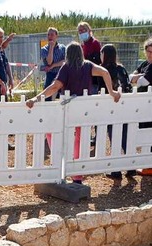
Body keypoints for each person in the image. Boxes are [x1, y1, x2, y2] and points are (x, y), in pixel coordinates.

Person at [26, 42, 121, 185]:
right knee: (79, 139)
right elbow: (105, 73)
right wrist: (112, 91)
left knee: (52, 132)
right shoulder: (88, 66)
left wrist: (36, 98)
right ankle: (77, 176)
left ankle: (59, 164)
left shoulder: (66, 67)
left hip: (68, 107)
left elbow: (55, 86)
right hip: (84, 108)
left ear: (67, 54)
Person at [128, 38, 152, 176]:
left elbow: (142, 82)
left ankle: (149, 166)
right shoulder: (145, 64)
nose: (151, 54)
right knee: (151, 131)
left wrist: (138, 77)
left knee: (150, 132)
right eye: (148, 51)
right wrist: (138, 77)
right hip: (146, 104)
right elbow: (130, 77)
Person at [99, 44, 132, 180]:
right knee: (125, 137)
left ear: (104, 54)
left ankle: (116, 170)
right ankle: (131, 167)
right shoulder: (122, 69)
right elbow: (128, 86)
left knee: (114, 138)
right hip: (124, 106)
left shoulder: (103, 70)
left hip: (110, 108)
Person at [40, 27, 66, 98]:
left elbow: (65, 61)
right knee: (46, 97)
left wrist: (54, 65)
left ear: (56, 36)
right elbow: (49, 62)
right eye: (48, 35)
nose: (49, 37)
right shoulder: (44, 49)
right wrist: (51, 47)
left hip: (61, 74)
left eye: (52, 35)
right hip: (50, 75)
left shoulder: (63, 48)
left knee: (64, 96)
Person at [77, 22, 102, 93]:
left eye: (83, 30)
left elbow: (98, 60)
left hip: (94, 77)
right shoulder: (82, 45)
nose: (81, 32)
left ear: (89, 30)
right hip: (85, 76)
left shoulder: (95, 43)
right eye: (80, 31)